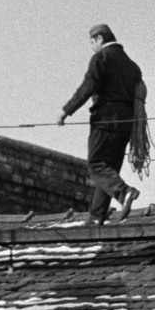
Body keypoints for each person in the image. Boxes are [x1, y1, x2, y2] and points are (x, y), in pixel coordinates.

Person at [58, 24, 143, 223]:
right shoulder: (132, 66)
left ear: (99, 39)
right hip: (127, 122)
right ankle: (97, 216)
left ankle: (124, 193)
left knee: (96, 165)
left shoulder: (101, 58)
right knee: (109, 169)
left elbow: (88, 86)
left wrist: (66, 111)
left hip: (105, 118)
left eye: (92, 42)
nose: (91, 47)